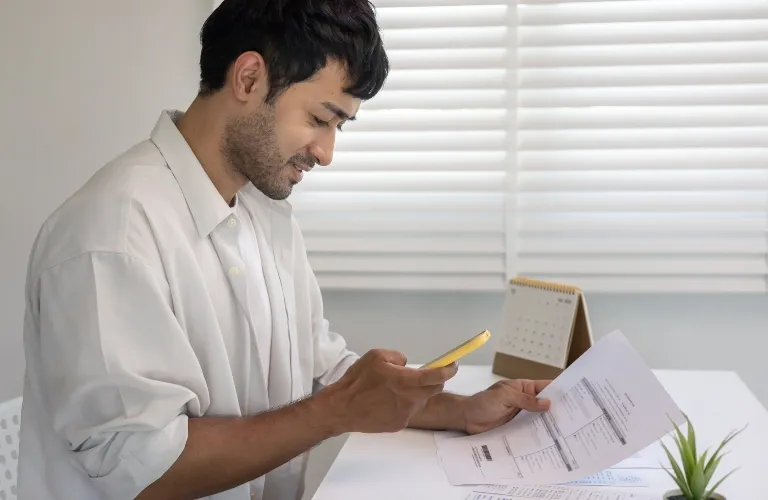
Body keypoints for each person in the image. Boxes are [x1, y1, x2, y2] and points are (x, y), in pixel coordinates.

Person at [16, 1, 551, 499]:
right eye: (320, 119)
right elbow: (139, 465)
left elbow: (317, 371)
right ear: (249, 78)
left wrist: (463, 411)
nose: (326, 152)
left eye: (339, 126)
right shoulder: (110, 236)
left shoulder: (263, 212)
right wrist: (336, 411)